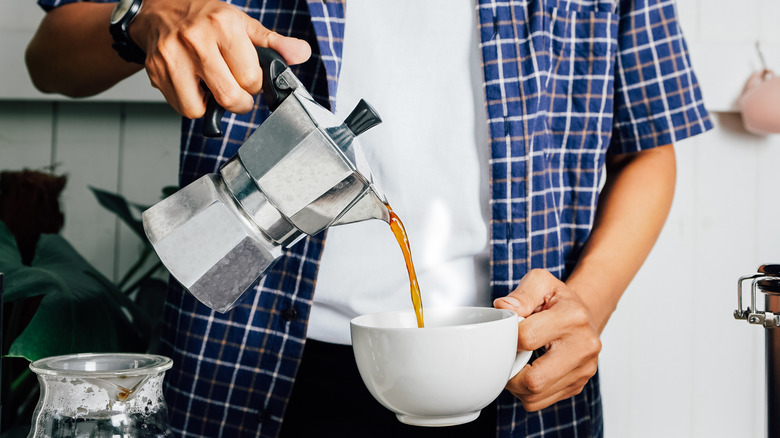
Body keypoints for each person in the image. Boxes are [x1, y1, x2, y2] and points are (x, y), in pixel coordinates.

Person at [25, 0, 711, 436]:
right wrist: (143, 16)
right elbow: (50, 56)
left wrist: (587, 304)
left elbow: (649, 146)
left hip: (510, 367)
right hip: (251, 365)